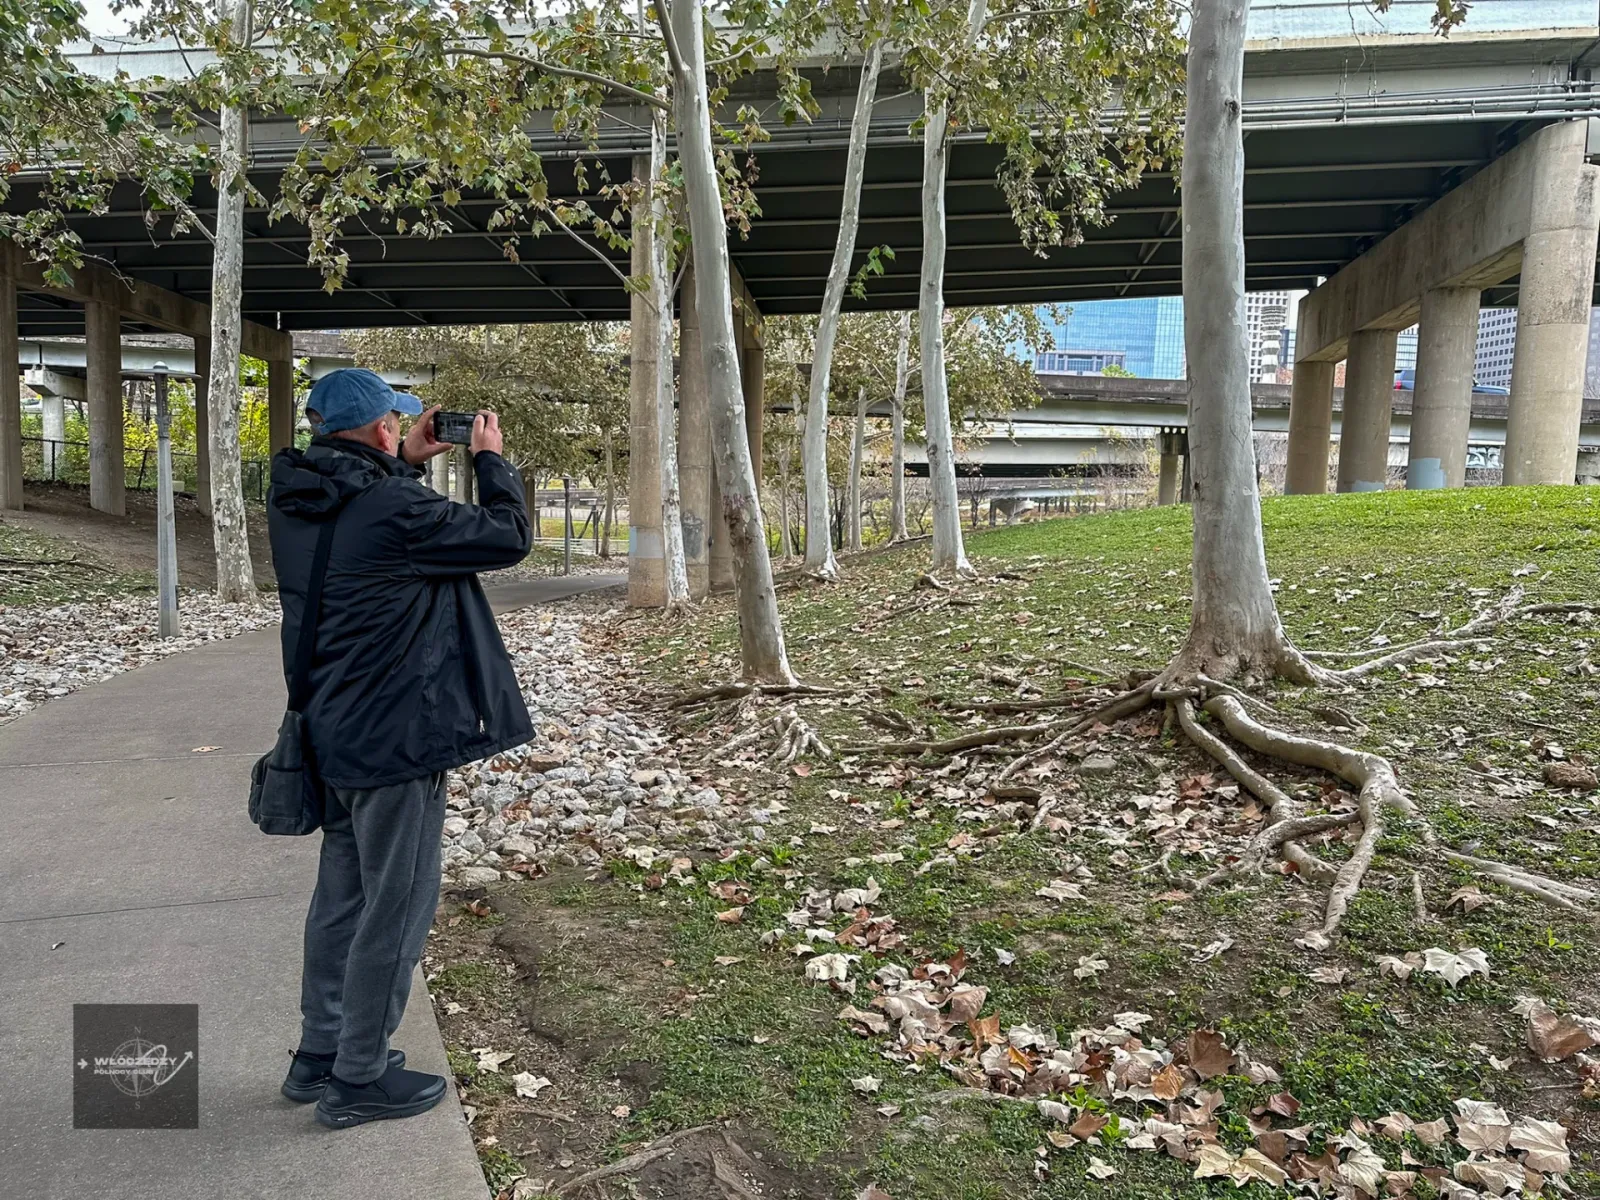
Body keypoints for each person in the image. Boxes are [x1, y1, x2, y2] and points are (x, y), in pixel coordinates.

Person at [266, 367, 532, 1129]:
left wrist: (403, 462)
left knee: (342, 899)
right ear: (383, 426)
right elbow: (507, 537)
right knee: (398, 904)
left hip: (332, 726)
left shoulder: (297, 497)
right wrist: (490, 461)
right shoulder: (393, 507)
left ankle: (319, 1053)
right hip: (395, 737)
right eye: (398, 423)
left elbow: (368, 515)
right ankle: (358, 1076)